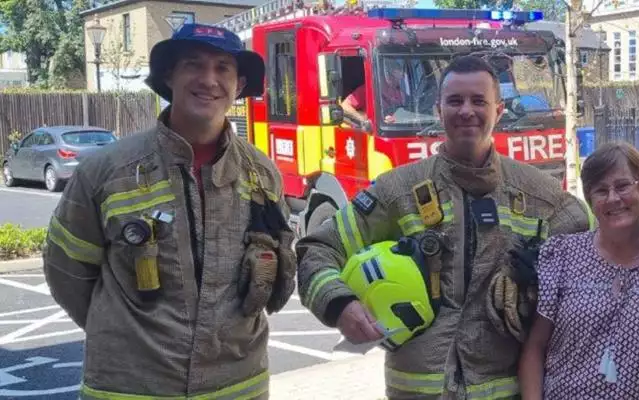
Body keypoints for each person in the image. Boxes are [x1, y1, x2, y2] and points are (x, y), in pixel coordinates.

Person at [296, 55, 594, 399]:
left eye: (479, 101)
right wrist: (340, 304)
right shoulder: (398, 190)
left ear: (499, 111)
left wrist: (544, 277)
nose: (466, 110)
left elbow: (598, 248)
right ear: (438, 110)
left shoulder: (540, 194)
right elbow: (318, 250)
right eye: (455, 101)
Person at [42, 23, 297, 398]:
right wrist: (126, 335)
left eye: (223, 68)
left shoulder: (262, 174)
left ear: (239, 84)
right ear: (168, 76)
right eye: (193, 64)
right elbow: (67, 273)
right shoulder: (106, 172)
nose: (208, 79)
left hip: (239, 386)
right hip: (130, 387)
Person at [518, 142, 639, 399]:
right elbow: (535, 348)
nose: (613, 198)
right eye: (601, 190)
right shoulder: (562, 254)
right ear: (590, 201)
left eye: (623, 186)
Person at [341, 59, 405, 125]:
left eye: (400, 78)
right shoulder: (368, 89)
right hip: (374, 130)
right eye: (394, 77)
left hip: (395, 129)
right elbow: (344, 107)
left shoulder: (400, 94)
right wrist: (364, 121)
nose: (398, 82)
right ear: (386, 74)